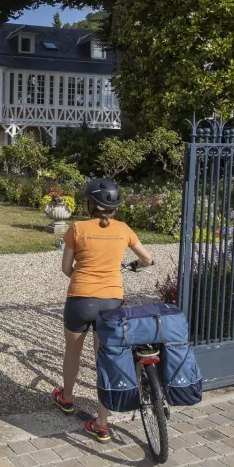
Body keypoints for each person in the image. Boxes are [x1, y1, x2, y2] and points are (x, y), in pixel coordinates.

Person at [51, 178, 154, 443]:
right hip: (111, 301)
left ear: (90, 204)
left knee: (72, 352)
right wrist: (135, 267)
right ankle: (102, 423)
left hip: (80, 299)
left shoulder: (77, 228)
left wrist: (83, 279)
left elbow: (65, 269)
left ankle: (67, 398)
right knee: (106, 360)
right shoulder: (124, 229)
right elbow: (147, 259)